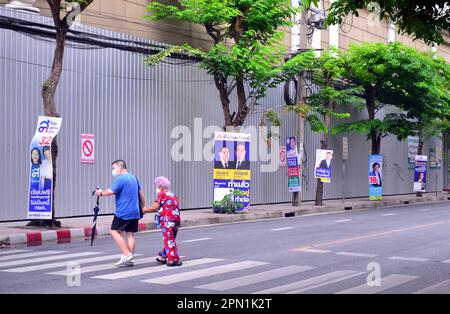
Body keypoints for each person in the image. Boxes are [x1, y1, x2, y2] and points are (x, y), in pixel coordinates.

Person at [95, 160, 146, 267]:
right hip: (135, 210)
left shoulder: (121, 178)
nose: (113, 171)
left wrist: (100, 193)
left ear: (120, 168)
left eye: (114, 168)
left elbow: (110, 191)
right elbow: (141, 193)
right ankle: (129, 258)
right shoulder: (133, 177)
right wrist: (143, 206)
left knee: (114, 231)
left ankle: (126, 254)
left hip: (123, 211)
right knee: (130, 234)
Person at [143, 176, 182, 267]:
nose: (157, 188)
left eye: (157, 186)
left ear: (161, 186)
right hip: (176, 220)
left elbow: (155, 207)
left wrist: (144, 210)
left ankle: (173, 259)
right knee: (171, 238)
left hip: (168, 220)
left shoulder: (162, 194)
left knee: (168, 240)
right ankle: (163, 256)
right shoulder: (172, 194)